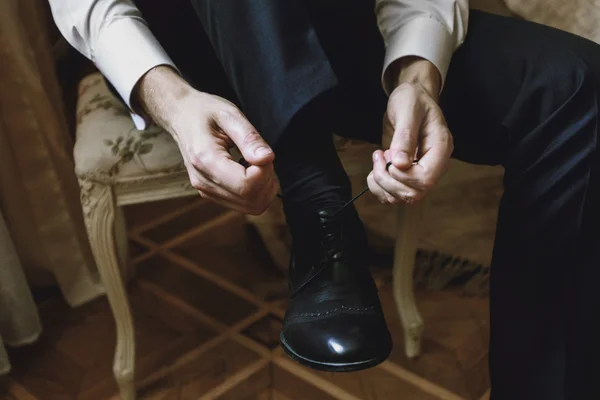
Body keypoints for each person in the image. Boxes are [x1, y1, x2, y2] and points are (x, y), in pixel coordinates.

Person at [49, 0, 600, 398]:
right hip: (182, 37)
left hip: (335, 20)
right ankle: (320, 213)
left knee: (578, 89)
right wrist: (171, 100)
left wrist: (418, 77)